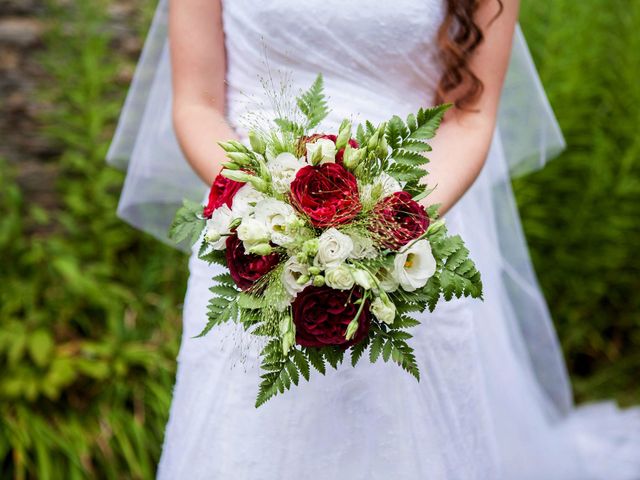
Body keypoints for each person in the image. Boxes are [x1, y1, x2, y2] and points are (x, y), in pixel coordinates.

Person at [107, 0, 640, 478]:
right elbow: (196, 102)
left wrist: (391, 222)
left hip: (410, 233)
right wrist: (267, 206)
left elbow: (470, 116)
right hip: (255, 231)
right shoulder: (258, 214)